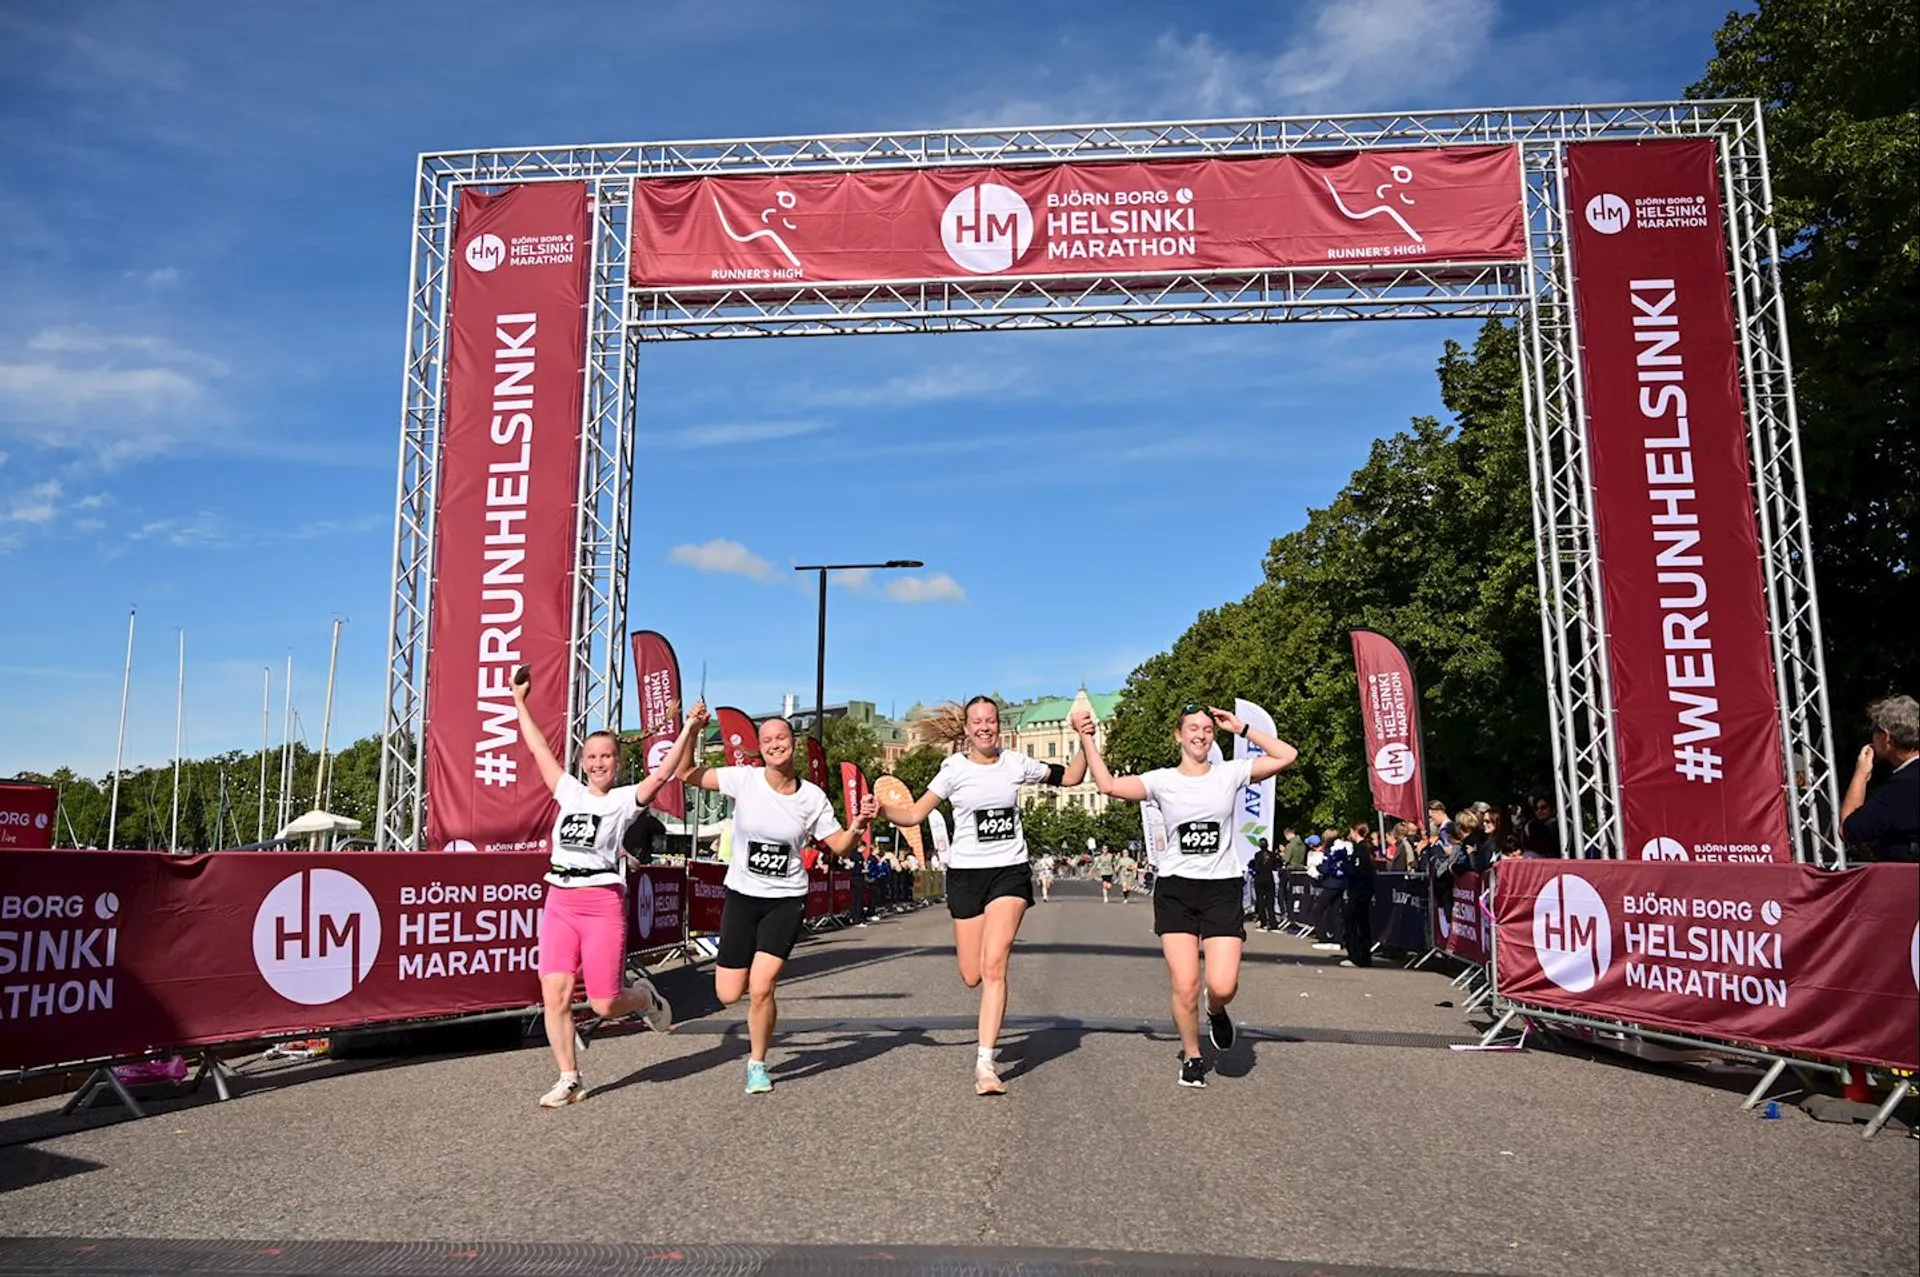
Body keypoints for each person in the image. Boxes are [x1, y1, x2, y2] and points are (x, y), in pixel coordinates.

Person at [1073, 702, 1297, 1088]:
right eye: (1192, 728)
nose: (1200, 735)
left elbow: (1287, 755)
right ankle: (1192, 1055)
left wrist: (1241, 729)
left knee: (1223, 985)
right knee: (1186, 984)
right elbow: (1108, 786)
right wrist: (1087, 738)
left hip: (1222, 889)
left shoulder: (1230, 773)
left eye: (1207, 730)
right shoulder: (1161, 780)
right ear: (1178, 735)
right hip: (1177, 888)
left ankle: (1216, 1010)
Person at [513, 668, 701, 1109]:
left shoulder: (623, 800)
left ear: (618, 763)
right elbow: (538, 746)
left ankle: (644, 998)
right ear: (582, 761)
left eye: (607, 757)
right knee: (554, 996)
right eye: (591, 757)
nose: (598, 763)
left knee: (603, 1003)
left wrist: (690, 727)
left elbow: (664, 773)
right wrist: (520, 702)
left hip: (601, 904)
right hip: (559, 900)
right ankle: (569, 1078)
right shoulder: (569, 792)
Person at [881, 697, 1088, 1095]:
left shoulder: (1016, 763)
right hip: (965, 875)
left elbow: (1072, 778)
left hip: (1009, 871)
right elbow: (913, 815)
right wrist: (881, 811)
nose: (985, 728)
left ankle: (985, 1063)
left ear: (998, 725)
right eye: (977, 722)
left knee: (995, 965)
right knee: (972, 975)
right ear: (967, 728)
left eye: (991, 721)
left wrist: (1082, 738)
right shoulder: (952, 769)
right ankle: (986, 1050)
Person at [681, 716, 878, 1095]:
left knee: (761, 987)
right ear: (760, 745)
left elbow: (838, 845)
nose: (775, 744)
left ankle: (757, 1063)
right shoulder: (745, 779)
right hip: (741, 895)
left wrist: (858, 826)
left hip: (785, 900)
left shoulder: (812, 798)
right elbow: (687, 772)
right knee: (727, 993)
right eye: (767, 739)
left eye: (781, 737)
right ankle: (758, 1036)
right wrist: (691, 730)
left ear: (794, 742)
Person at [1841, 695, 1920, 862]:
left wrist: (1860, 774)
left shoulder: (1903, 786)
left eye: (1874, 731)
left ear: (1887, 737)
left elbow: (1849, 830)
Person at [1341, 820, 1376, 968]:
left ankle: (1357, 956)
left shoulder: (1361, 850)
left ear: (1356, 831)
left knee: (1354, 923)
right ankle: (1363, 955)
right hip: (1362, 891)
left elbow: (1357, 872)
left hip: (1359, 892)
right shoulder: (1363, 849)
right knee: (1361, 923)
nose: (1350, 834)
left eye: (1351, 831)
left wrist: (1345, 865)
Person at [1250, 838, 1278, 932]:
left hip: (1259, 879)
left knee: (1260, 901)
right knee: (1270, 902)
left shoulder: (1257, 855)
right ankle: (1273, 923)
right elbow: (1275, 867)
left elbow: (1256, 867)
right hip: (1269, 879)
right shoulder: (1272, 855)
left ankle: (1263, 923)